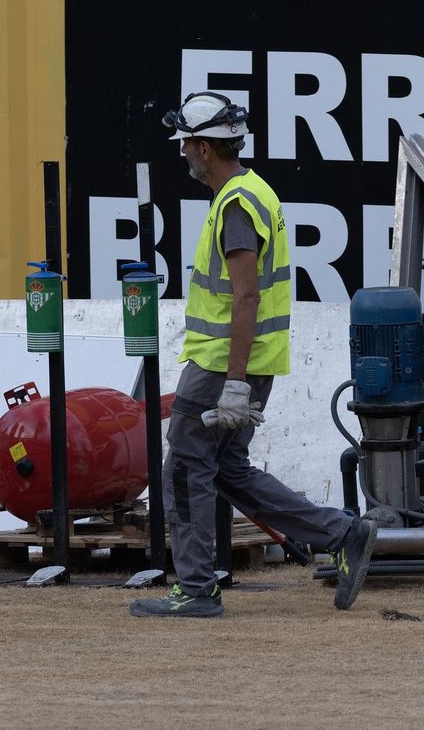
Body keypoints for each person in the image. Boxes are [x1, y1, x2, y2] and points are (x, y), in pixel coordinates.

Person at [129, 92, 377, 619]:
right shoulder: (252, 192)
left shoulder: (237, 205)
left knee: (184, 468)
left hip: (224, 368)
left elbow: (246, 296)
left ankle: (195, 590)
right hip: (243, 364)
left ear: (203, 147)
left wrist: (235, 384)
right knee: (228, 470)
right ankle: (342, 532)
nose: (183, 157)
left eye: (185, 148)